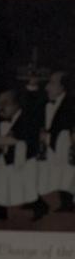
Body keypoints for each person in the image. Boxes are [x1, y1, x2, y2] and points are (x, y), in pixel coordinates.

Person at [0, 89, 35, 221]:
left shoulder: (25, 119)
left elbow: (17, 140)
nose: (0, 107)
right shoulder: (2, 120)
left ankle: (40, 206)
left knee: (23, 185)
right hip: (5, 157)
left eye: (5, 103)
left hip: (23, 160)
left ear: (17, 105)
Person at [32, 70, 75, 220]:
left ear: (63, 87)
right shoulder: (45, 104)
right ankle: (36, 201)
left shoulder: (71, 104)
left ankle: (67, 203)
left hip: (63, 147)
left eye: (52, 83)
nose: (47, 87)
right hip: (49, 146)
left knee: (66, 173)